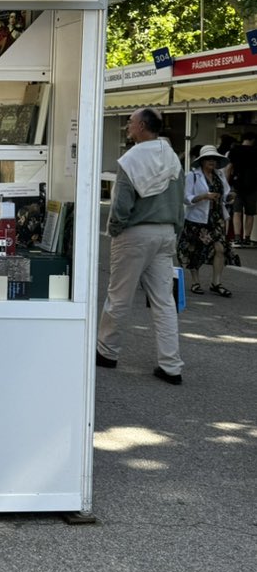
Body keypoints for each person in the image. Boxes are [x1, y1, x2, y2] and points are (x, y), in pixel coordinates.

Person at [96, 107, 185, 385]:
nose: (127, 127)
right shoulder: (172, 158)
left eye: (131, 123)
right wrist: (175, 233)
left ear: (143, 126)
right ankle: (171, 365)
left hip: (135, 234)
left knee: (120, 296)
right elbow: (179, 200)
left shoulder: (131, 159)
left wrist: (115, 231)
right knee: (164, 301)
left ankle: (107, 352)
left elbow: (121, 204)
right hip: (165, 233)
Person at [178, 145, 232, 297]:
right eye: (208, 159)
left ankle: (216, 282)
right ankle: (195, 282)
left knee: (220, 249)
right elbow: (185, 198)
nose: (212, 162)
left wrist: (229, 197)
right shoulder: (192, 176)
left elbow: (225, 194)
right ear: (201, 161)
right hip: (197, 219)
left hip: (216, 218)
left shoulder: (219, 176)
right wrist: (203, 196)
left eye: (214, 159)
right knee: (194, 251)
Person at [227, 133, 256, 247]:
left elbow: (229, 167)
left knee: (237, 212)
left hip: (237, 184)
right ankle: (247, 238)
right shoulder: (255, 151)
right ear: (253, 140)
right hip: (253, 185)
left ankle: (237, 238)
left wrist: (226, 183)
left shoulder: (235, 150)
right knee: (250, 213)